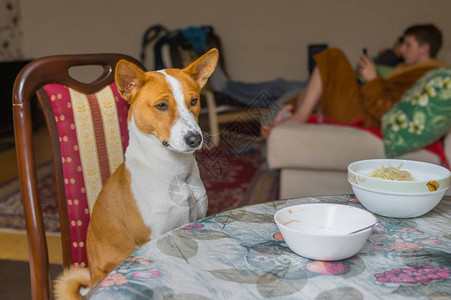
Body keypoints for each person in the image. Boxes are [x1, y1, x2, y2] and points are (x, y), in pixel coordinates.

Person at [261, 24, 444, 138]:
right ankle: (295, 118)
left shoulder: (430, 75)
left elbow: (396, 111)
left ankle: (299, 117)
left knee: (333, 56)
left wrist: (373, 80)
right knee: (305, 92)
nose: (402, 50)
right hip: (364, 106)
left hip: (368, 117)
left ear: (424, 48)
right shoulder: (408, 69)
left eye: (408, 45)